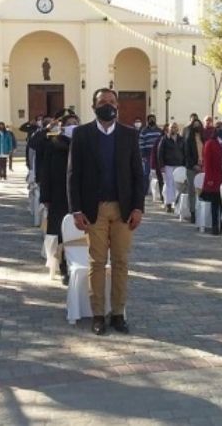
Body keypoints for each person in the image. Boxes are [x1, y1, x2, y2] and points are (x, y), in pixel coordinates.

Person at [68, 88, 144, 335]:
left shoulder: (129, 135)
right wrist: (76, 210)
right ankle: (98, 314)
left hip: (123, 210)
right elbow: (73, 174)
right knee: (97, 262)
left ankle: (119, 313)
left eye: (112, 102)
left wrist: (138, 207)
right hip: (94, 210)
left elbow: (137, 174)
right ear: (94, 106)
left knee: (121, 262)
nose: (107, 106)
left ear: (118, 106)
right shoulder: (81, 134)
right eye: (102, 102)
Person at [40, 112, 79, 285]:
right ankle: (64, 267)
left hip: (79, 194)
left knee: (78, 232)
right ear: (62, 127)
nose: (73, 126)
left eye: (75, 123)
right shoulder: (52, 144)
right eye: (69, 124)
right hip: (58, 194)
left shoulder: (83, 143)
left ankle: (77, 263)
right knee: (62, 232)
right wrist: (45, 196)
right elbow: (45, 172)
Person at [201, 121, 222, 236]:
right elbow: (207, 163)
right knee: (215, 204)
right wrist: (209, 179)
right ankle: (214, 226)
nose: (221, 129)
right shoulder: (210, 143)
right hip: (214, 177)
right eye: (218, 127)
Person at [157, 122, 185, 213]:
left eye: (175, 127)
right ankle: (168, 204)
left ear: (178, 129)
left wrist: (184, 163)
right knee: (169, 184)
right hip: (168, 165)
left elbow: (184, 152)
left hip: (179, 165)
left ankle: (176, 204)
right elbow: (160, 153)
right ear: (169, 129)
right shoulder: (164, 139)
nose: (174, 129)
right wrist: (161, 166)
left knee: (178, 185)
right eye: (172, 127)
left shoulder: (181, 139)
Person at [183, 118, 205, 223]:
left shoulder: (203, 138)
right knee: (192, 190)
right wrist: (194, 165)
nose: (197, 127)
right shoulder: (188, 138)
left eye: (198, 125)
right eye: (195, 125)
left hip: (202, 167)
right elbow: (187, 155)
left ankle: (201, 212)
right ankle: (193, 213)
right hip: (192, 168)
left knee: (202, 191)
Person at [138, 114, 163, 196]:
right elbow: (141, 144)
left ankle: (159, 192)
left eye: (153, 119)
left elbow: (162, 142)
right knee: (146, 173)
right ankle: (144, 191)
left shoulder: (159, 131)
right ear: (148, 121)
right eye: (150, 119)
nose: (152, 120)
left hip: (158, 155)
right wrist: (142, 155)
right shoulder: (144, 131)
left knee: (159, 173)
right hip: (147, 155)